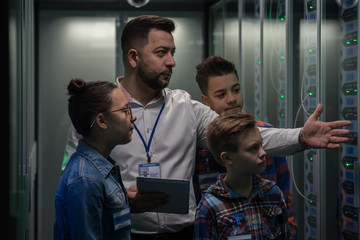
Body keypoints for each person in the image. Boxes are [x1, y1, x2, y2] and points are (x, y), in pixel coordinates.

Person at [62, 15, 351, 239]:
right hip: (124, 233)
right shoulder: (101, 111)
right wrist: (124, 201)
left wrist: (300, 135)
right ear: (134, 57)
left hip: (185, 234)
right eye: (161, 52)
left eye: (172, 52)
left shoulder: (186, 108)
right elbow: (76, 179)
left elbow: (245, 137)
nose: (172, 61)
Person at [193, 55, 297, 238]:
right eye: (221, 94)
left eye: (236, 90)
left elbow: (285, 200)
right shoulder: (198, 148)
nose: (232, 99)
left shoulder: (266, 136)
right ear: (206, 100)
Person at [55, 78, 138, 240]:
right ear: (102, 121)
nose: (133, 117)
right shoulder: (85, 179)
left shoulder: (99, 169)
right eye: (125, 111)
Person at [194, 111, 292, 240]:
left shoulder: (273, 193)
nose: (263, 153)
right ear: (227, 158)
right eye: (253, 148)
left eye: (261, 145)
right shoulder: (209, 207)